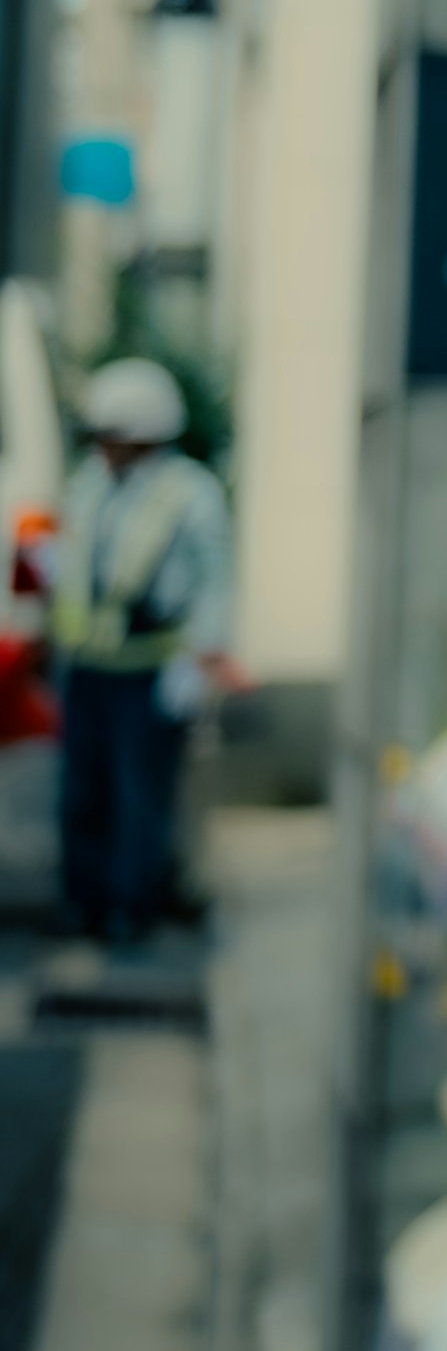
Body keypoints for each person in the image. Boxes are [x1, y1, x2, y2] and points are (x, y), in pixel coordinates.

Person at [48, 358, 234, 940]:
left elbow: (216, 584)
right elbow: (73, 559)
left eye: (113, 435)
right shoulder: (90, 484)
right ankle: (86, 901)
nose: (103, 446)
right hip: (89, 668)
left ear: (143, 436)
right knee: (82, 791)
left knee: (140, 796)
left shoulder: (192, 494)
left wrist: (196, 661)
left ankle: (134, 905)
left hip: (150, 669)